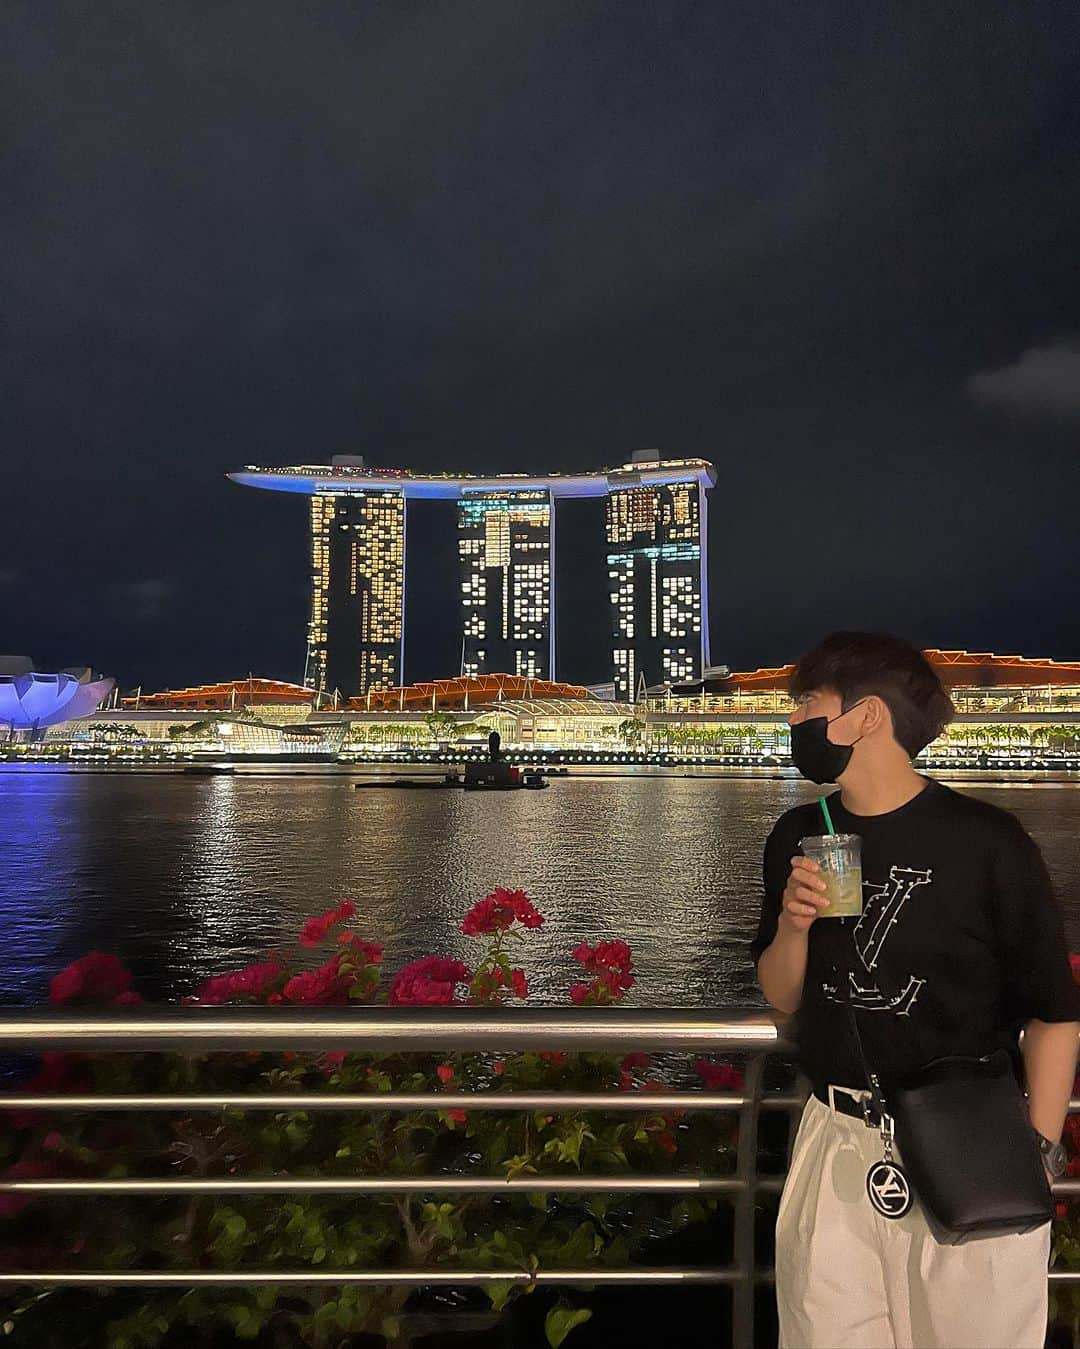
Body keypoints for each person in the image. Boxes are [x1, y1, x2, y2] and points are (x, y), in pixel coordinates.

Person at [752, 632, 1080, 1349]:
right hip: (836, 1140)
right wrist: (794, 923)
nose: (793, 720)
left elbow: (1055, 1012)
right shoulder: (800, 832)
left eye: (808, 702)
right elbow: (781, 995)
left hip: (968, 1142)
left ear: (867, 716)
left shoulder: (988, 841)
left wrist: (1039, 1151)